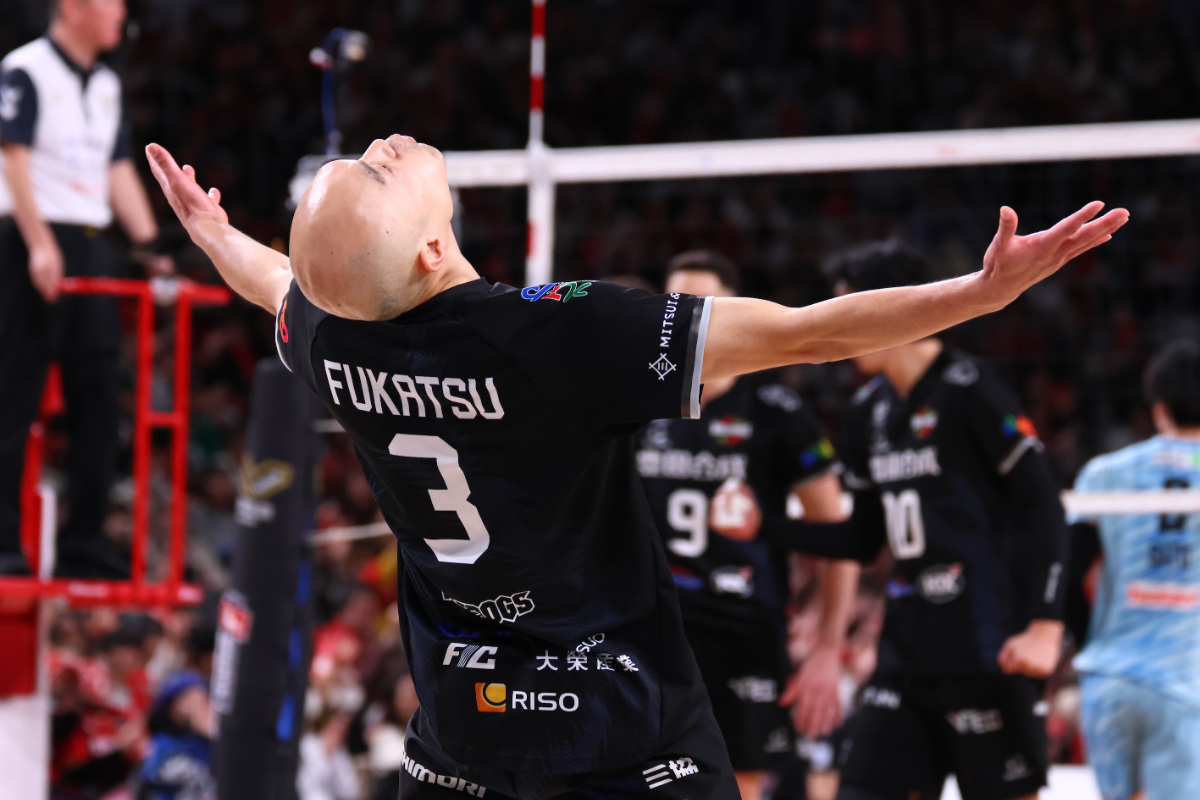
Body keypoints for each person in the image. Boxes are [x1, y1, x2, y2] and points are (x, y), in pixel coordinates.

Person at [143, 132, 1125, 799]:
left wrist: (215, 233)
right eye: (376, 170)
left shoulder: (332, 343)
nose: (384, 146)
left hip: (462, 722)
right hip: (620, 716)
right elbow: (809, 334)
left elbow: (279, 281)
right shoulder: (560, 333)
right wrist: (978, 293)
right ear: (434, 247)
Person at [754, 240, 1071, 800]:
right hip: (906, 651)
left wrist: (1046, 623)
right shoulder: (867, 413)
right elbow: (862, 539)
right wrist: (763, 527)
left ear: (888, 306)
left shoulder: (970, 388)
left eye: (847, 308)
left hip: (987, 646)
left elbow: (1042, 504)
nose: (839, 328)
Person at [638, 250, 859, 800]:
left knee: (739, 783)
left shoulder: (775, 409)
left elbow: (839, 533)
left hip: (742, 630)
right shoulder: (636, 399)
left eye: (702, 304)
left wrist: (828, 646)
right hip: (643, 628)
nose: (686, 315)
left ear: (732, 312)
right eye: (675, 303)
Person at [0, 0, 173, 578]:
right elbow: (12, 158)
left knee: (98, 396)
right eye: (110, 2)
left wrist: (150, 246)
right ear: (73, 6)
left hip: (93, 241)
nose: (121, 12)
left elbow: (116, 168)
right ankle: (3, 541)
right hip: (29, 238)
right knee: (14, 392)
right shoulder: (24, 68)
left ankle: (84, 541)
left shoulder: (106, 84)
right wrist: (38, 241)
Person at [1071, 340, 1200, 800]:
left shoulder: (1106, 472)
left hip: (1109, 680)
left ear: (1159, 407)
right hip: (1183, 684)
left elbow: (1067, 577)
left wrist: (1093, 647)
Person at [135, 670, 217, 800]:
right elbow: (151, 774)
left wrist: (209, 729)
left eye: (199, 698)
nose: (193, 705)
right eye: (184, 699)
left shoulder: (210, 739)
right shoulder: (164, 742)